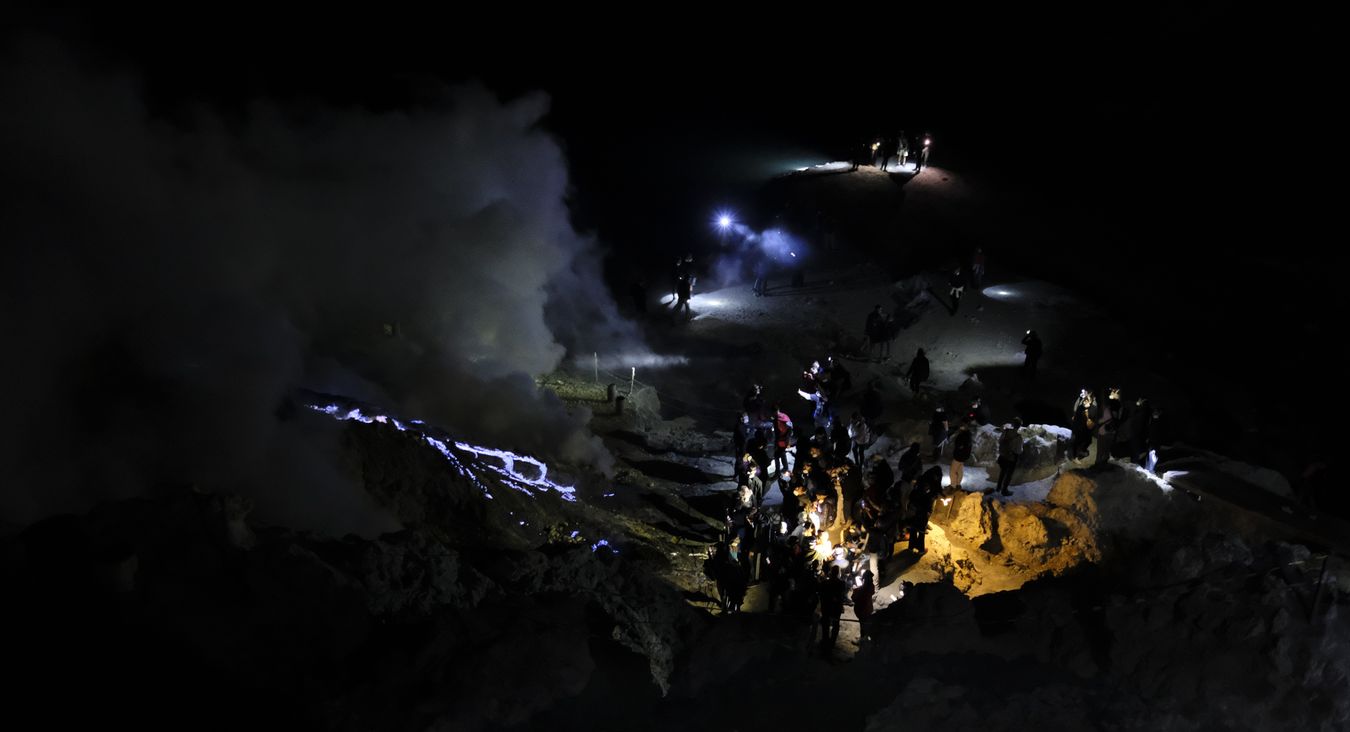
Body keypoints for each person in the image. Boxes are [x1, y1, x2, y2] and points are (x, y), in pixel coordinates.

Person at [817, 564, 847, 649]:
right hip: (836, 608)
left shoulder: (825, 582)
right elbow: (841, 596)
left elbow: (821, 594)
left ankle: (825, 640)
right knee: (835, 625)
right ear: (838, 573)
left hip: (826, 607)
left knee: (825, 625)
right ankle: (832, 642)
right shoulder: (841, 583)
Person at [995, 419, 1023, 496]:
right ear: (1019, 426)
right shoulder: (1018, 437)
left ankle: (998, 487)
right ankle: (1004, 490)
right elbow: (1019, 450)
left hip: (1003, 456)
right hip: (1011, 458)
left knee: (1002, 472)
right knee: (1009, 475)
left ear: (1013, 424)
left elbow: (1000, 441)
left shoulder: (1006, 432)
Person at [853, 570, 876, 645]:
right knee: (863, 624)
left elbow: (855, 597)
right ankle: (863, 636)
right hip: (868, 608)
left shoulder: (864, 588)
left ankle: (862, 640)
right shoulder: (871, 585)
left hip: (863, 609)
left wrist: (855, 590)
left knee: (863, 624)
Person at [772, 404, 794, 481]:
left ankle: (778, 472)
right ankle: (785, 468)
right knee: (782, 453)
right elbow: (791, 427)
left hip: (781, 440)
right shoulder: (784, 416)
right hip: (783, 439)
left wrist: (785, 439)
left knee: (777, 455)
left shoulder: (778, 419)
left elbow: (778, 432)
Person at [950, 420, 973, 490]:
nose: (960, 427)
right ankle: (958, 484)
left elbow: (960, 445)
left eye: (962, 426)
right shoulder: (968, 435)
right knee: (960, 470)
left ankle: (953, 485)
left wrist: (958, 446)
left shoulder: (964, 435)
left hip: (959, 456)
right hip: (963, 456)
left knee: (953, 471)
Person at [675, 254, 694, 319]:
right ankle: (675, 318)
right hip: (684, 290)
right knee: (682, 304)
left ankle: (686, 317)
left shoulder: (685, 267)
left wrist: (691, 285)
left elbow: (692, 277)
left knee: (684, 304)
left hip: (683, 289)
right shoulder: (684, 268)